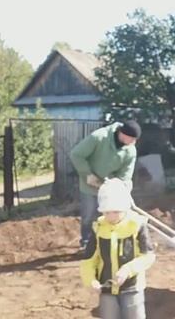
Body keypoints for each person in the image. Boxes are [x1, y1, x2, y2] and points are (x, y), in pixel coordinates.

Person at [80, 178, 155, 319]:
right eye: (106, 212)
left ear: (125, 207)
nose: (111, 216)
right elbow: (88, 260)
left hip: (132, 288)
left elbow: (148, 256)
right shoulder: (98, 228)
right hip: (106, 289)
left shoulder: (137, 225)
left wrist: (128, 270)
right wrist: (90, 280)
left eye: (116, 211)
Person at [71, 120, 141, 249]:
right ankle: (86, 243)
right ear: (122, 134)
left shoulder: (130, 150)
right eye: (131, 139)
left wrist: (121, 188)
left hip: (110, 189)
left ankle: (105, 243)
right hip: (90, 186)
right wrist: (87, 174)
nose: (133, 143)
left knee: (109, 217)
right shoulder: (99, 137)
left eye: (135, 140)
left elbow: (125, 175)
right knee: (88, 215)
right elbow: (76, 155)